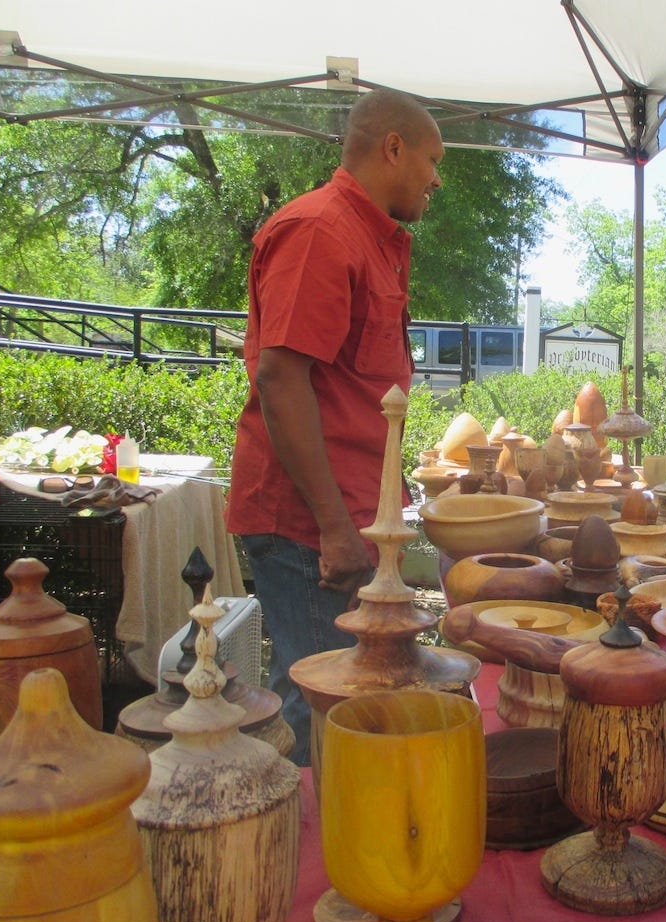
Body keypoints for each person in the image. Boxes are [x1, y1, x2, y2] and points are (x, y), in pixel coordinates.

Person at [226, 88, 445, 765]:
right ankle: (306, 863)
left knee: (337, 700)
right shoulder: (322, 229)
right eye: (433, 160)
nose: (437, 178)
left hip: (337, 521)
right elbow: (281, 378)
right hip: (307, 529)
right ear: (393, 149)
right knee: (323, 705)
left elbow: (350, 387)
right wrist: (333, 528)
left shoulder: (368, 237)